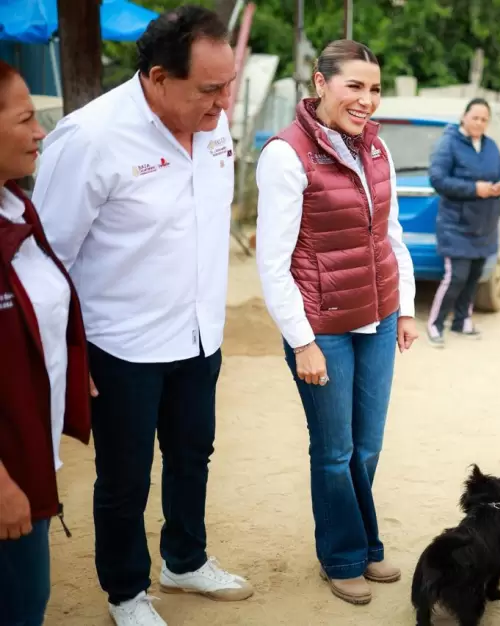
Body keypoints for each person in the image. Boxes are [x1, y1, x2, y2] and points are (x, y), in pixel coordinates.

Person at [31, 7, 252, 625]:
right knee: (124, 480)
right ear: (158, 78)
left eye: (227, 85)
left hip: (198, 334)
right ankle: (127, 592)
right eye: (209, 89)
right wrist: (73, 354)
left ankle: (184, 559)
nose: (222, 102)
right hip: (119, 347)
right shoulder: (92, 138)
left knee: (193, 455)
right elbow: (48, 258)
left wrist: (209, 324)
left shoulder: (214, 128)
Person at [255, 39, 419, 606]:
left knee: (367, 447)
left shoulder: (377, 150)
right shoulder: (286, 154)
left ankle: (363, 540)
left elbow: (391, 234)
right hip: (321, 325)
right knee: (333, 450)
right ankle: (345, 555)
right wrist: (302, 342)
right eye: (355, 86)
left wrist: (409, 308)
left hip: (378, 315)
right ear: (320, 83)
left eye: (374, 89)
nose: (366, 99)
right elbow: (272, 264)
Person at [0, 61, 91, 626]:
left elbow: (40, 301)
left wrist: (67, 363)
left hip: (28, 450)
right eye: (27, 118)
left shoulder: (16, 204)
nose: (41, 132)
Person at [426, 97, 500, 347]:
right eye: (475, 117)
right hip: (457, 224)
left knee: (475, 276)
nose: (479, 123)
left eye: (484, 119)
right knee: (456, 277)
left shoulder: (491, 146)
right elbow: (437, 179)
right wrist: (475, 189)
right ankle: (435, 324)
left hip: (484, 224)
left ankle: (462, 321)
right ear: (464, 117)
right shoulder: (449, 143)